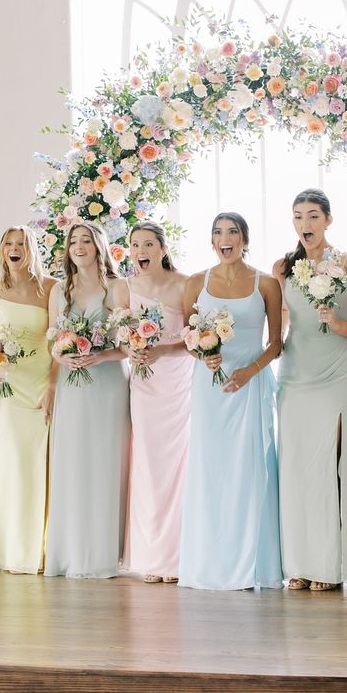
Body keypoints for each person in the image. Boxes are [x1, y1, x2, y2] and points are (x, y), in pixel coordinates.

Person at [179, 212, 283, 591]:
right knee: (211, 471)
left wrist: (248, 372)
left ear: (244, 239)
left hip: (250, 385)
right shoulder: (195, 283)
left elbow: (276, 344)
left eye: (233, 232)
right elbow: (189, 337)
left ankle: (254, 566)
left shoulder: (267, 284)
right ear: (211, 240)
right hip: (210, 389)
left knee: (250, 469)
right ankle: (209, 563)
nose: (226, 238)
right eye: (219, 233)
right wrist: (203, 356)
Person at [273, 189, 347, 591]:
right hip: (296, 372)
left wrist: (336, 321)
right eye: (298, 217)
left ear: (328, 220)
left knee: (332, 464)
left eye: (313, 216)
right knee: (296, 466)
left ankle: (331, 567)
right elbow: (277, 323)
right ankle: (299, 564)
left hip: (338, 370)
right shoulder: (282, 266)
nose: (305, 225)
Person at [43, 222, 131, 578]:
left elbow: (129, 345)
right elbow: (51, 340)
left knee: (104, 462)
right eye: (73, 241)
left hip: (106, 384)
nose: (79, 246)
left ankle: (102, 554)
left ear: (99, 246)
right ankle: (71, 552)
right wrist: (61, 356)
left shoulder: (117, 288)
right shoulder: (59, 289)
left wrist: (100, 356)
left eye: (86, 241)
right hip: (71, 386)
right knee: (72, 462)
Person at [0, 225, 56, 573]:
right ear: (2, 249)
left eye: (21, 243)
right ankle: (15, 550)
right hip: (10, 389)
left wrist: (53, 386)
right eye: (8, 243)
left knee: (46, 464)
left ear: (31, 249)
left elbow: (58, 344)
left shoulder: (51, 288)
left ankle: (45, 549)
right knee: (14, 464)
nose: (15, 248)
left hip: (44, 385)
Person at [122, 222, 192, 583]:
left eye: (148, 244)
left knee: (177, 465)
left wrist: (161, 349)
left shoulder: (184, 284)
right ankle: (151, 556)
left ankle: (177, 557)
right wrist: (131, 350)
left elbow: (195, 338)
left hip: (177, 383)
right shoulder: (127, 287)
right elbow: (119, 337)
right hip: (144, 386)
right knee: (147, 463)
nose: (140, 250)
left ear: (163, 248)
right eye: (135, 245)